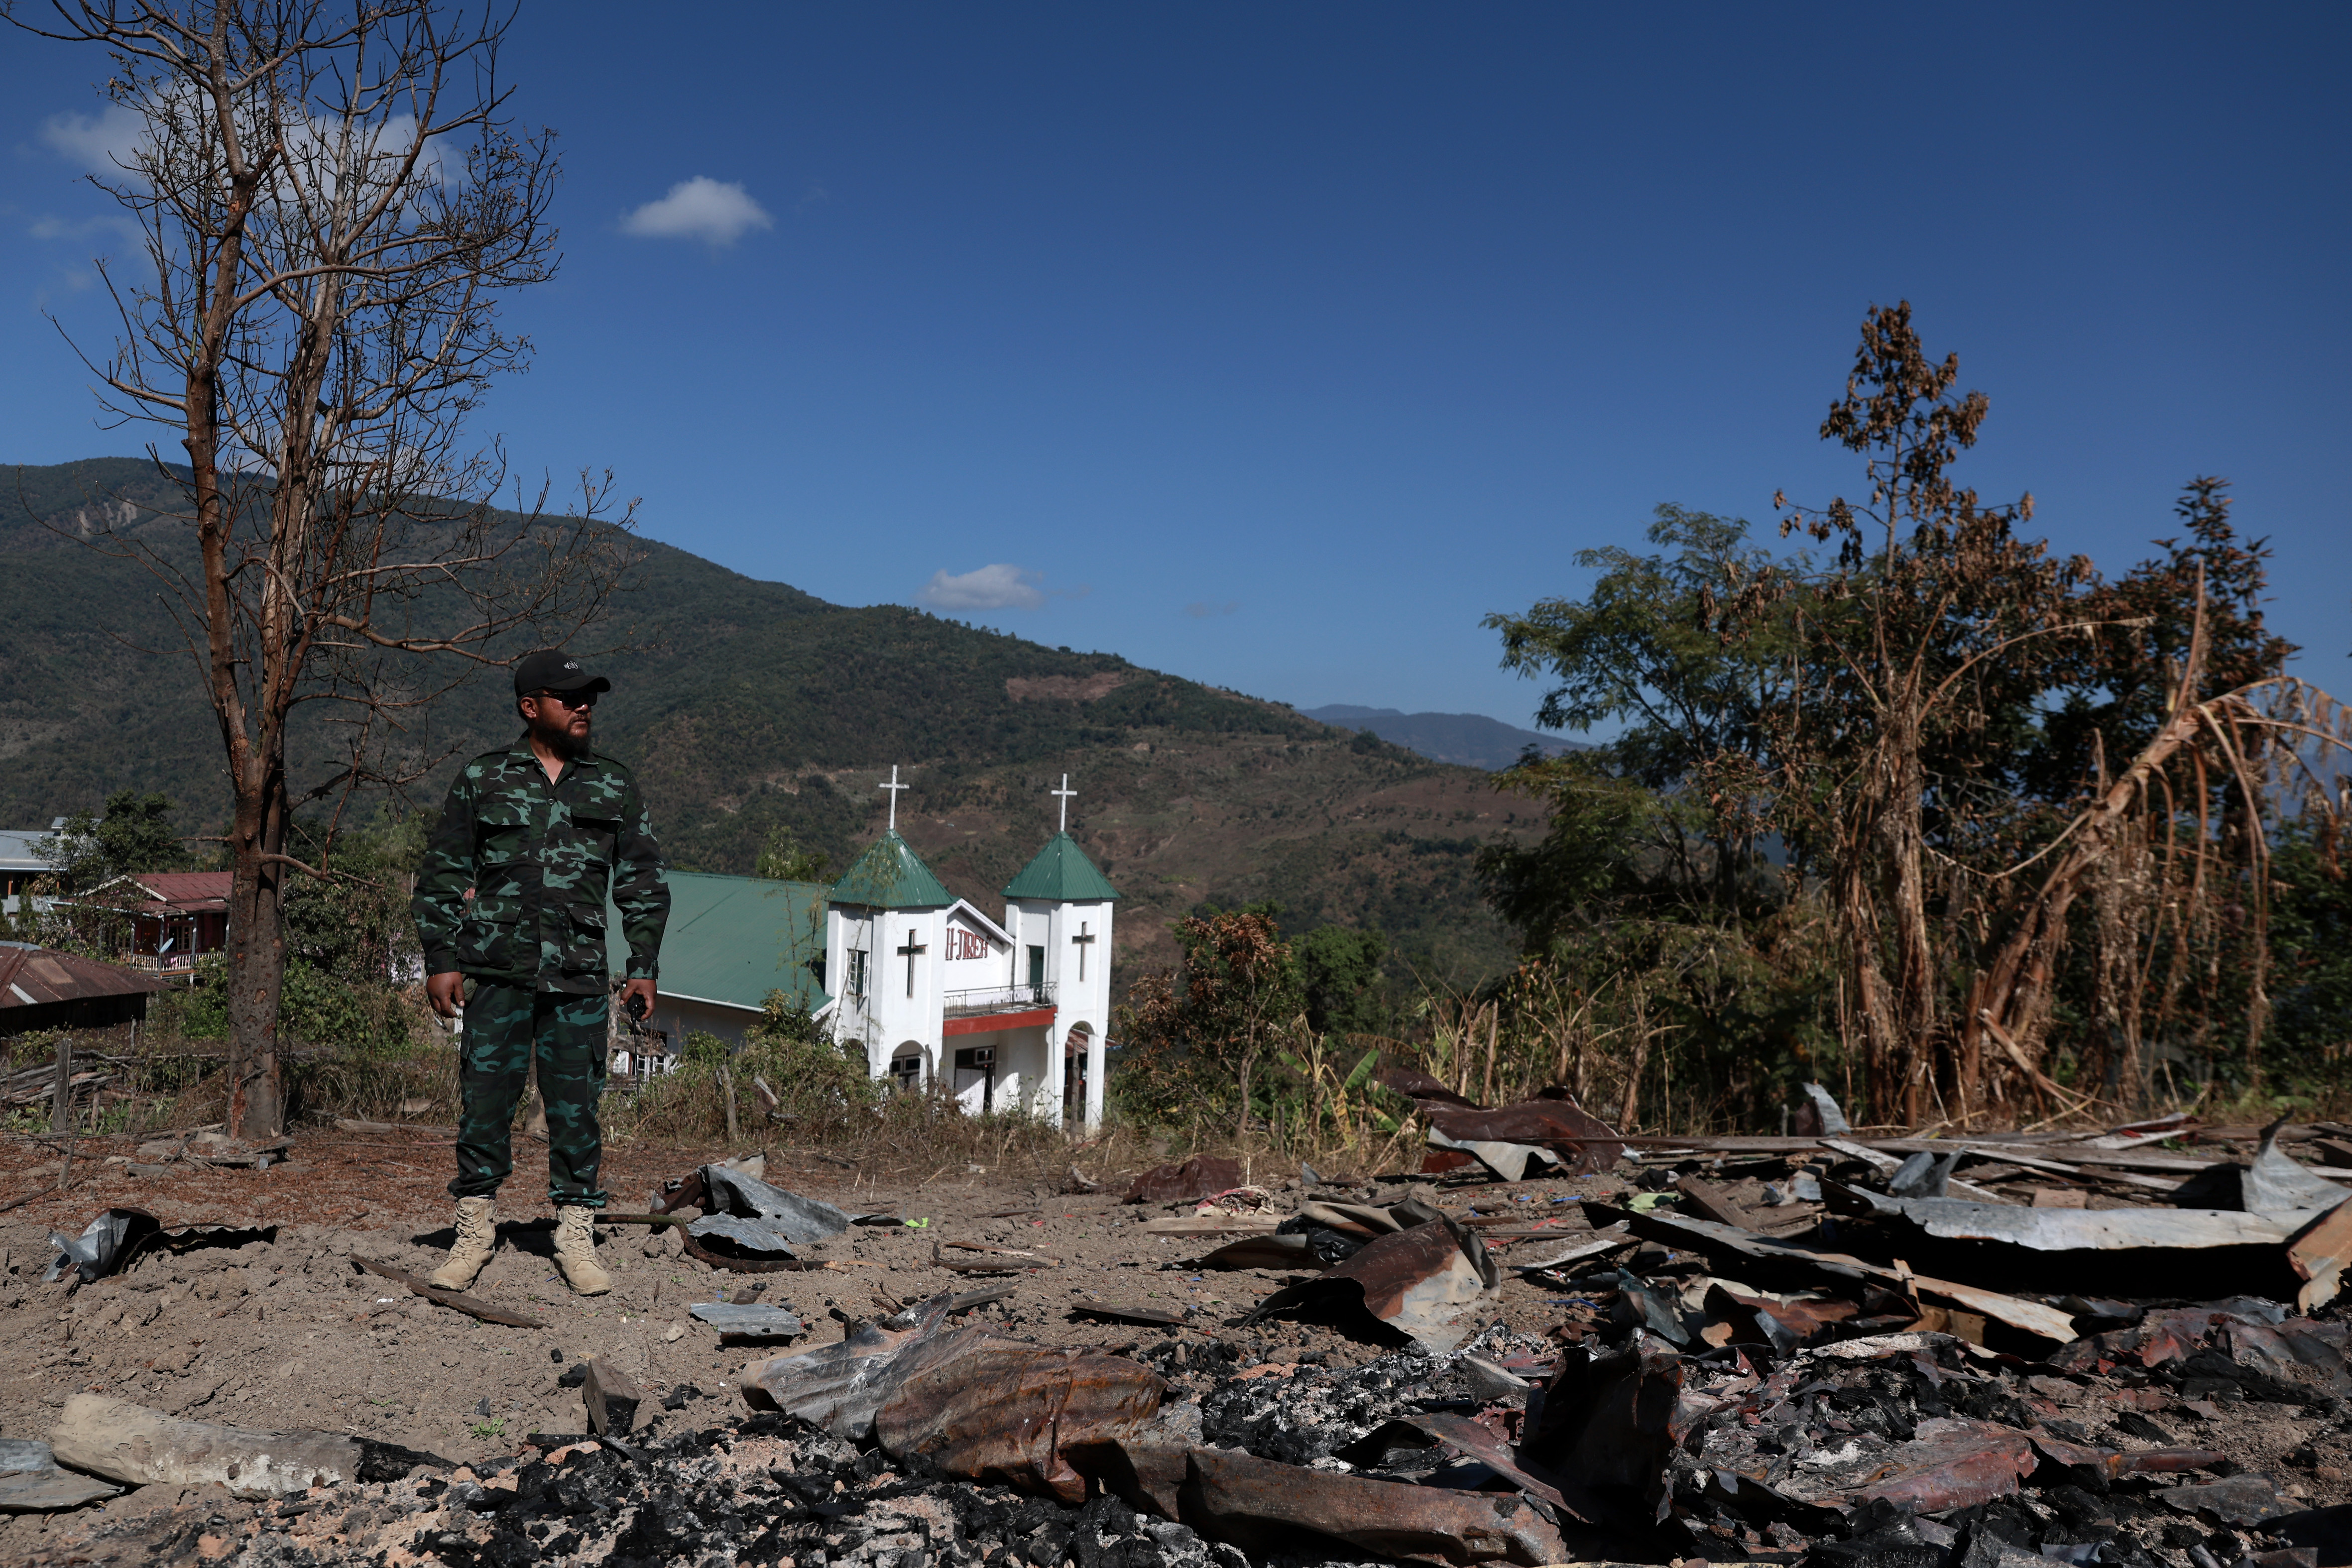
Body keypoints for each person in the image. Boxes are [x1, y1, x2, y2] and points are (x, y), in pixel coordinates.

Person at [411, 650, 670, 1294]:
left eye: (590, 697)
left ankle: (575, 1234)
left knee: (578, 1107)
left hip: (579, 977)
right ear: (531, 706)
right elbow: (443, 870)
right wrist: (441, 957)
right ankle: (474, 1231)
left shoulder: (613, 784)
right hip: (496, 971)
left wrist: (643, 965)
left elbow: (640, 882)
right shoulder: (485, 778)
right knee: (484, 1104)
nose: (584, 706)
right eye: (569, 696)